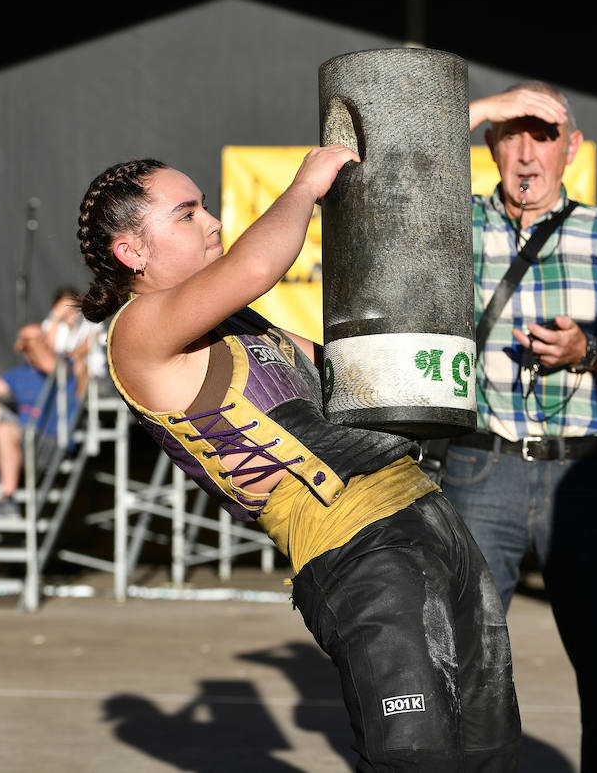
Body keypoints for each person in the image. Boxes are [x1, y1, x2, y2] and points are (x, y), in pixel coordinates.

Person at [77, 154, 520, 770]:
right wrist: (307, 186)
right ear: (132, 253)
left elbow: (360, 371)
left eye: (204, 205)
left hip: (429, 516)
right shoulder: (137, 333)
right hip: (358, 549)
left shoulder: (235, 322)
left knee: (489, 753)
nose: (211, 222)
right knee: (413, 760)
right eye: (186, 214)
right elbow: (257, 264)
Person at [439, 83, 597, 771]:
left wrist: (589, 351)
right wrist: (486, 104)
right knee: (462, 667)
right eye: (511, 133)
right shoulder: (460, 222)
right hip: (481, 465)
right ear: (490, 145)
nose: (526, 153)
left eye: (545, 135)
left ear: (572, 149)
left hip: (583, 471)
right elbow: (388, 166)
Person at [0, 288, 97, 518]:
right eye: (27, 340)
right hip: (21, 438)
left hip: (51, 441)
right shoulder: (19, 373)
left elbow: (47, 363)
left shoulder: (67, 365)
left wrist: (51, 321)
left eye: (37, 339)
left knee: (6, 430)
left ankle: (7, 499)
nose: (33, 343)